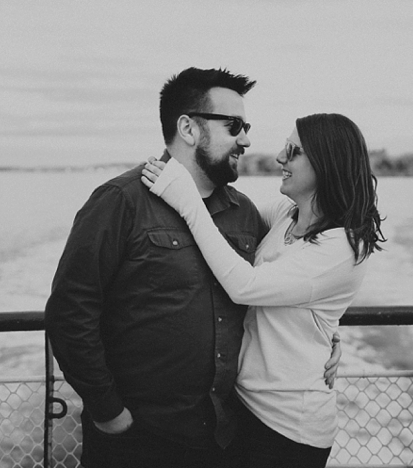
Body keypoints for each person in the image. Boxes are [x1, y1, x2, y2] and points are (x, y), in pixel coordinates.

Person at [44, 68, 339, 468]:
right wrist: (108, 412)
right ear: (187, 128)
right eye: (233, 126)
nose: (246, 140)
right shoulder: (120, 202)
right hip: (136, 441)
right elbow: (70, 313)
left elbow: (297, 276)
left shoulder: (244, 213)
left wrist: (327, 336)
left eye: (246, 126)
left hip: (222, 438)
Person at [142, 112, 386, 467]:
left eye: (293, 150)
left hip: (288, 427)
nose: (280, 158)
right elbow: (229, 220)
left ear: (325, 163)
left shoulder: (343, 247)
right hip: (244, 404)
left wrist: (186, 201)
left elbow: (245, 285)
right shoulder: (289, 214)